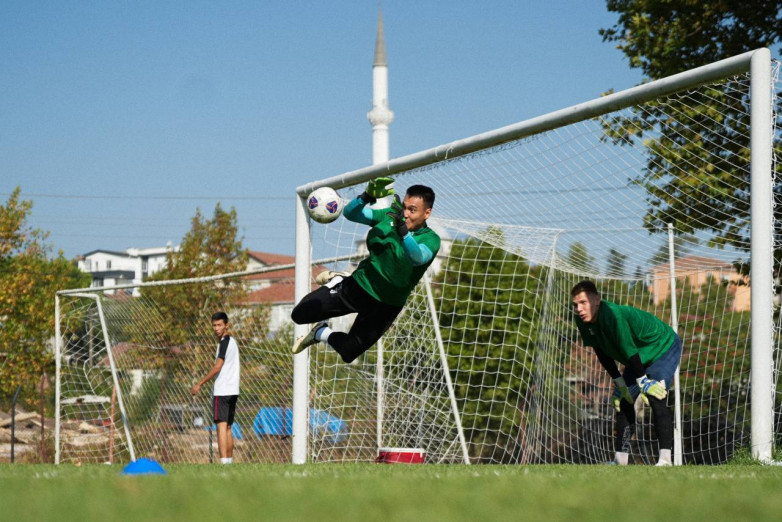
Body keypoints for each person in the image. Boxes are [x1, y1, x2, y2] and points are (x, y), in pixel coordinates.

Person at [291, 177, 440, 363]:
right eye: (404, 206)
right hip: (359, 287)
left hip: (387, 305)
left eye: (412, 210)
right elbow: (350, 213)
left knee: (348, 353)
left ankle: (320, 332)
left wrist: (403, 232)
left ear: (427, 213)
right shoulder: (389, 217)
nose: (405, 214)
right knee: (299, 314)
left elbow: (417, 257)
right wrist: (366, 196)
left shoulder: (431, 239)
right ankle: (339, 280)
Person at [570, 280, 682, 466]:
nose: (579, 309)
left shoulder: (614, 316)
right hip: (638, 356)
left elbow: (629, 350)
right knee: (623, 401)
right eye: (576, 305)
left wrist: (644, 382)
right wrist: (619, 382)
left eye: (583, 302)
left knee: (656, 395)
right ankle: (620, 460)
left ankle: (665, 460)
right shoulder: (581, 320)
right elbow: (601, 352)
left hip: (662, 346)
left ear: (596, 299)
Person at [190, 311, 240, 465]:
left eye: (219, 325)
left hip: (223, 390)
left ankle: (224, 463)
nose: (216, 328)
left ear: (227, 325)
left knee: (221, 427)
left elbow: (218, 366)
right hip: (233, 390)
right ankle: (229, 462)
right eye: (214, 325)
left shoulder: (224, 342)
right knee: (228, 428)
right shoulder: (233, 342)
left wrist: (200, 383)